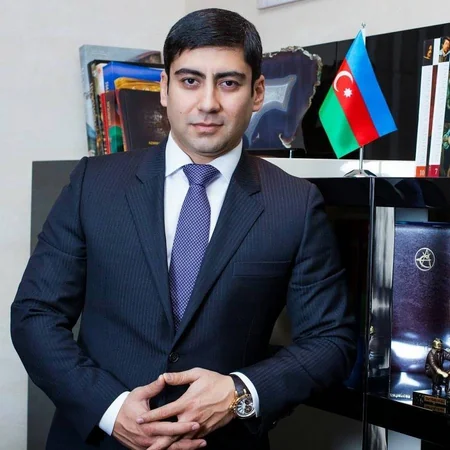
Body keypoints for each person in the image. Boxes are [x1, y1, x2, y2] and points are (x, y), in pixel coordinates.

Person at [11, 8, 355, 450]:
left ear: (257, 93)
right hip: (98, 441)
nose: (208, 103)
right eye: (190, 80)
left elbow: (330, 340)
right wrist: (110, 409)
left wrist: (239, 393)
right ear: (164, 88)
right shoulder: (92, 184)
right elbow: (36, 314)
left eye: (228, 83)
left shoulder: (295, 204)